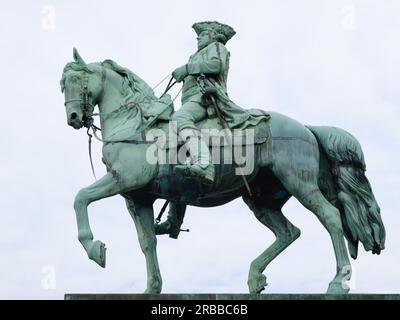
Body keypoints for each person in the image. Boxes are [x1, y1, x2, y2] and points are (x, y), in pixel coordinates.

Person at [156, 21, 257, 237]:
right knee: (175, 153)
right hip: (192, 101)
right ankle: (173, 221)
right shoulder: (198, 53)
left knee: (180, 118)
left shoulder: (216, 48)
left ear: (212, 36)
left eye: (202, 36)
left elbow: (215, 66)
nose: (199, 39)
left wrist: (188, 69)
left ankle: (205, 164)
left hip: (204, 101)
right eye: (198, 37)